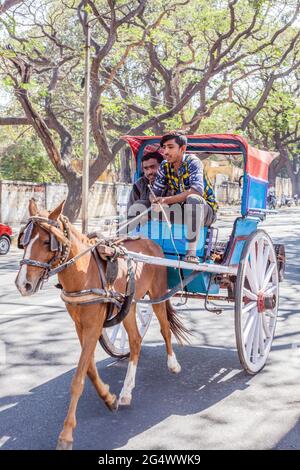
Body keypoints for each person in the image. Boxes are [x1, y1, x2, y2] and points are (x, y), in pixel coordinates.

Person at [150, 132, 218, 263]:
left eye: (170, 147)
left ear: (182, 148)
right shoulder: (164, 166)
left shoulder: (193, 162)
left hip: (205, 212)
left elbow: (197, 191)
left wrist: (166, 200)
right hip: (181, 210)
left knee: (193, 199)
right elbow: (154, 193)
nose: (165, 151)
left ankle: (191, 252)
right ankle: (143, 245)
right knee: (143, 204)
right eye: (164, 147)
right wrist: (154, 201)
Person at [127, 151, 163, 227]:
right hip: (143, 228)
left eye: (153, 167)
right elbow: (131, 210)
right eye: (146, 168)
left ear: (162, 166)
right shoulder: (139, 185)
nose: (149, 172)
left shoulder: (172, 182)